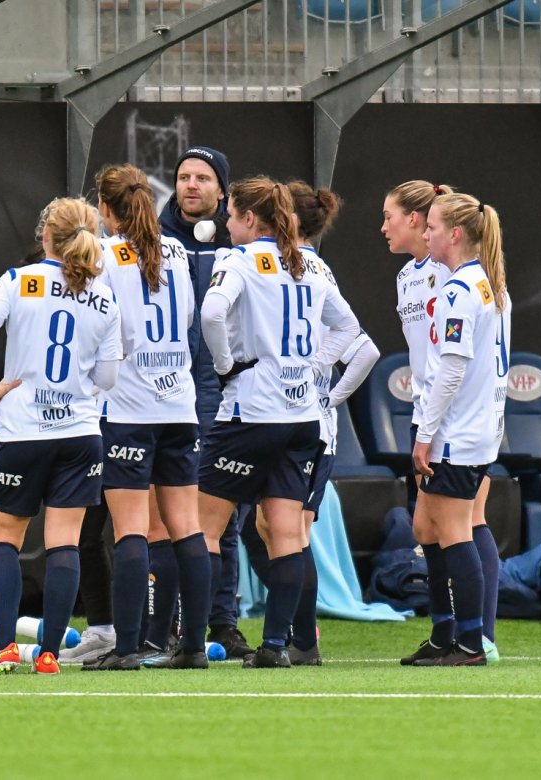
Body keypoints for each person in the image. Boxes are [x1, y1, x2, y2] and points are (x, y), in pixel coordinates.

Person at [197, 177, 359, 668]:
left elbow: (211, 313)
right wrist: (310, 366)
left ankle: (189, 644)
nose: (227, 224)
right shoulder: (310, 262)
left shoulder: (240, 260)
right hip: (302, 416)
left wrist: (225, 365)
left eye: (231, 215)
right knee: (288, 533)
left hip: (250, 413)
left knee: (204, 529)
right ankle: (275, 646)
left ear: (250, 219)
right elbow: (349, 328)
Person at [0, 197, 122, 676]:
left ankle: (5, 648)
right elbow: (108, 378)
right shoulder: (105, 297)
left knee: (4, 540)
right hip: (80, 434)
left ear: (46, 236)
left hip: (23, 432)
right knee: (64, 544)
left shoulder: (18, 281)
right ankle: (48, 654)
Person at [239, 182, 380, 666]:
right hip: (298, 417)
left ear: (289, 220)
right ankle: (299, 637)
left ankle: (300, 639)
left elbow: (364, 349)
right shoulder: (302, 266)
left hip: (301, 418)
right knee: (272, 527)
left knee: (289, 531)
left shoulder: (303, 268)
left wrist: (326, 395)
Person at [79, 163, 211, 671]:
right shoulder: (175, 249)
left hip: (128, 410)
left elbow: (99, 330)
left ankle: (128, 647)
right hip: (179, 407)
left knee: (131, 528)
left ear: (105, 209)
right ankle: (193, 647)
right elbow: (190, 320)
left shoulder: (104, 255)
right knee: (187, 528)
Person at [382, 181, 502, 664]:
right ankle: (444, 633)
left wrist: (428, 433)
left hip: (454, 429)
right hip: (458, 423)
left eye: (432, 226)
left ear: (453, 233)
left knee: (456, 529)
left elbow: (451, 367)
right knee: (425, 528)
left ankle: (472, 642)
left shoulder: (458, 287)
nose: (426, 234)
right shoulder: (482, 281)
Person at [156, 146, 254, 659]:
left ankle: (223, 622)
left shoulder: (237, 240)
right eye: (183, 177)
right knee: (166, 512)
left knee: (221, 509)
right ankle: (169, 623)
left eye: (202, 177)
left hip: (219, 387)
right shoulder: (155, 238)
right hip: (166, 386)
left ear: (222, 189)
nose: (191, 185)